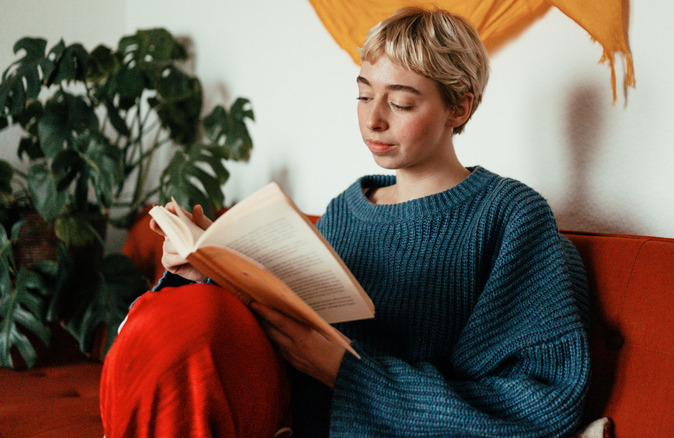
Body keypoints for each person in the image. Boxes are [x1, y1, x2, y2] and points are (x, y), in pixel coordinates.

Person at [100, 6, 590, 438]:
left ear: (458, 106)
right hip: (279, 403)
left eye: (400, 102)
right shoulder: (346, 208)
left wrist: (346, 373)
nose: (373, 119)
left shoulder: (507, 216)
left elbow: (544, 400)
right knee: (178, 317)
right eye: (363, 95)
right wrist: (205, 270)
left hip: (353, 418)